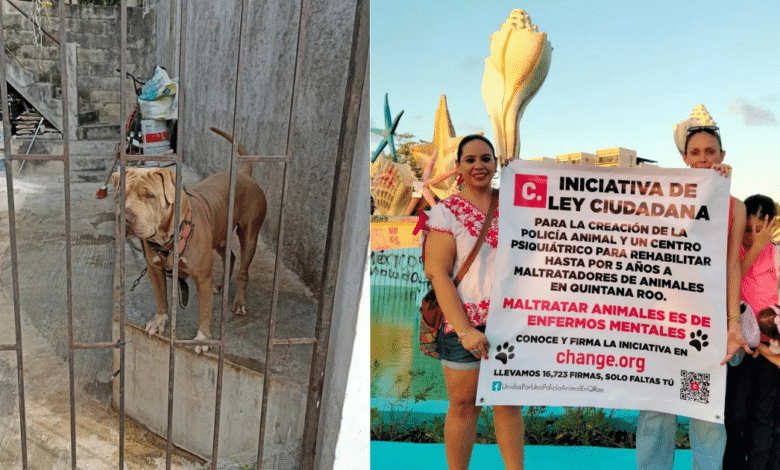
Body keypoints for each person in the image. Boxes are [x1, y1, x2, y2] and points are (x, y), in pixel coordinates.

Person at [636, 116, 749, 470]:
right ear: (685, 158)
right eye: (695, 153)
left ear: (722, 154)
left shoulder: (735, 206)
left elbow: (732, 266)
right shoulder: (662, 198)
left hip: (708, 322)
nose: (703, 159)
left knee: (706, 416)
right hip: (662, 320)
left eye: (710, 152)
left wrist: (732, 323)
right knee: (656, 411)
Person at [423, 134, 524, 470]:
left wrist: (520, 174)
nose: (479, 166)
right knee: (464, 404)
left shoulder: (516, 204)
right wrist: (466, 330)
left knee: (508, 403)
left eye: (486, 159)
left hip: (510, 321)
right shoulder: (445, 213)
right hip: (461, 323)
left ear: (496, 164)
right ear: (458, 167)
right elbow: (438, 273)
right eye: (470, 160)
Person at [723, 195, 780, 469]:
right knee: (735, 414)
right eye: (746, 229)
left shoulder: (777, 256)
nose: (751, 236)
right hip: (740, 346)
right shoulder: (735, 253)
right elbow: (733, 278)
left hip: (770, 350)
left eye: (759, 231)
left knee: (764, 413)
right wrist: (755, 248)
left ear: (772, 226)